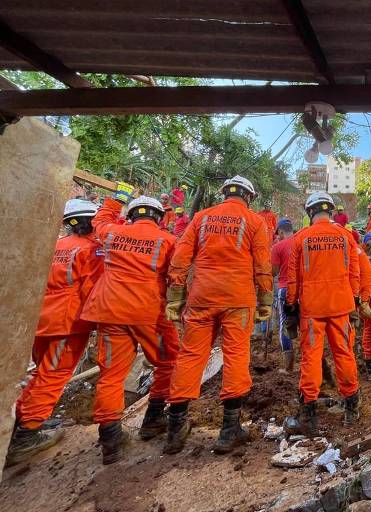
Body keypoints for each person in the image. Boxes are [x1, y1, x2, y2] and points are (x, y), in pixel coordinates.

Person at [164, 175, 272, 455]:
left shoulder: (201, 217)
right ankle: (229, 430)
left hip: (202, 296)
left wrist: (175, 297)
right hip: (238, 300)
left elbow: (180, 257)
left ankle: (175, 429)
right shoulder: (255, 221)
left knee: (190, 355)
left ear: (224, 193)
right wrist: (265, 300)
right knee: (236, 355)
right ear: (248, 196)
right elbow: (262, 264)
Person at [79, 189, 179, 464]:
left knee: (111, 375)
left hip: (110, 310)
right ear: (159, 217)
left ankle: (110, 440)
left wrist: (116, 197)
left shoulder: (111, 232)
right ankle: (154, 418)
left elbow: (99, 219)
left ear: (131, 215)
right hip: (148, 312)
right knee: (168, 362)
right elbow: (177, 275)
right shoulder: (168, 240)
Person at [7, 200, 104, 466]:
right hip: (67, 321)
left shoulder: (56, 245)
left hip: (41, 316)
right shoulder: (92, 250)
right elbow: (92, 289)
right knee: (53, 375)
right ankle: (26, 438)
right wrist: (98, 321)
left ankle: (21, 422)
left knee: (41, 372)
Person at [284, 191, 362, 435]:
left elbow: (292, 277)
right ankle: (352, 409)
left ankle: (307, 417)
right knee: (344, 354)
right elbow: (354, 273)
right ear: (330, 211)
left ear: (310, 212)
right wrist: (356, 300)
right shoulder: (346, 236)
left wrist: (290, 305)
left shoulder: (301, 238)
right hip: (340, 306)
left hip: (312, 308)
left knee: (311, 358)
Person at [271, 218, 297, 372]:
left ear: (280, 231)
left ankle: (288, 367)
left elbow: (273, 272)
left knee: (284, 325)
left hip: (285, 289)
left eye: (278, 233)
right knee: (307, 326)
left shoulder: (277, 247)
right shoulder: (302, 241)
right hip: (303, 289)